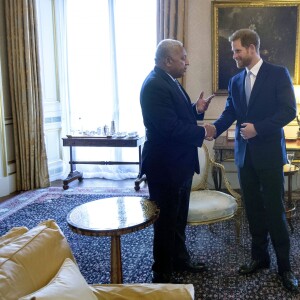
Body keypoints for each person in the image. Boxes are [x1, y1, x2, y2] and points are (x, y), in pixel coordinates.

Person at [209, 28, 298, 292]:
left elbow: (288, 111)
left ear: (251, 48)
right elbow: (230, 113)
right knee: (253, 211)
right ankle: (260, 259)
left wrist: (258, 128)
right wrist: (212, 129)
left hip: (269, 155)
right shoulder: (236, 81)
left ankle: (285, 268)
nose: (233, 55)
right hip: (245, 157)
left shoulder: (278, 74)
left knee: (275, 211)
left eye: (236, 50)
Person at [139, 39, 215, 283]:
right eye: (183, 58)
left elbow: (178, 116)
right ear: (167, 60)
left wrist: (196, 109)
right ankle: (162, 272)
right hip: (165, 167)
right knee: (165, 221)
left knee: (178, 218)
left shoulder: (169, 81)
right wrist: (203, 132)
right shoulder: (153, 86)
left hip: (178, 164)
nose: (187, 62)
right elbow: (169, 127)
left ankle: (179, 259)